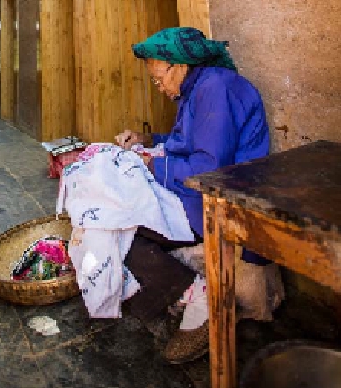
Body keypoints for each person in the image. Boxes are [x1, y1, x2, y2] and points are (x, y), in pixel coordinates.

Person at [115, 26, 282, 363]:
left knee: (122, 224)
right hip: (204, 189)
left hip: (225, 197)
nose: (159, 87)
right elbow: (187, 142)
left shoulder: (215, 89)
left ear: (179, 65)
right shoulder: (195, 91)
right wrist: (147, 142)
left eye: (159, 78)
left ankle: (199, 294)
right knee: (119, 206)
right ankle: (181, 289)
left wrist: (151, 168)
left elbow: (209, 168)